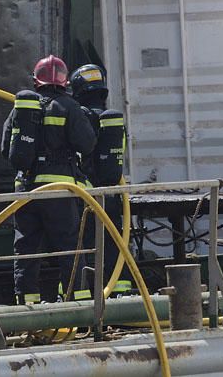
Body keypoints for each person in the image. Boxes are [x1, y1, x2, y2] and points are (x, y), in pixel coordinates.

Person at [1, 55, 96, 304]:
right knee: (69, 247)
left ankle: (26, 304)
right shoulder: (69, 106)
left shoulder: (21, 110)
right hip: (59, 190)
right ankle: (79, 303)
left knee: (26, 247)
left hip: (26, 191)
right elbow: (87, 144)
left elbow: (5, 149)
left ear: (36, 80)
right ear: (64, 81)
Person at [70, 63, 132, 295]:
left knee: (84, 246)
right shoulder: (112, 121)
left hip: (88, 197)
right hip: (114, 196)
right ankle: (121, 293)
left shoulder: (80, 119)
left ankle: (88, 297)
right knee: (116, 243)